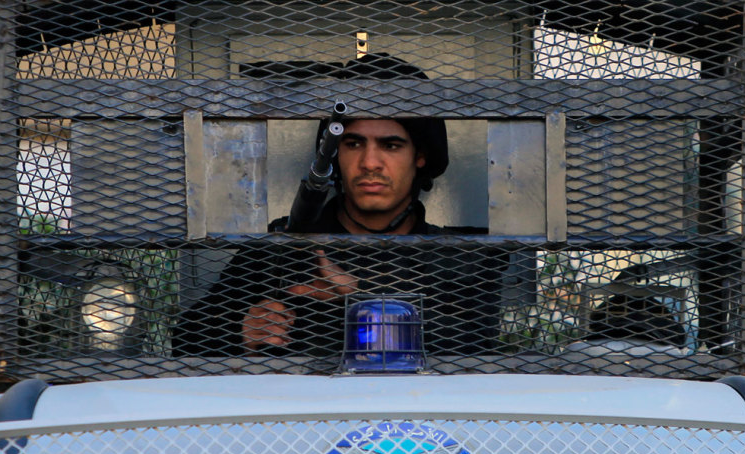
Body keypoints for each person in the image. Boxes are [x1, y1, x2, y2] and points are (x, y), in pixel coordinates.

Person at [172, 55, 506, 357]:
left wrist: (359, 293)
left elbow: (474, 342)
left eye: (390, 145)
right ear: (335, 154)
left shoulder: (463, 258)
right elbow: (186, 340)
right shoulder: (284, 247)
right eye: (354, 143)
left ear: (420, 156)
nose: (369, 162)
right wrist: (241, 331)